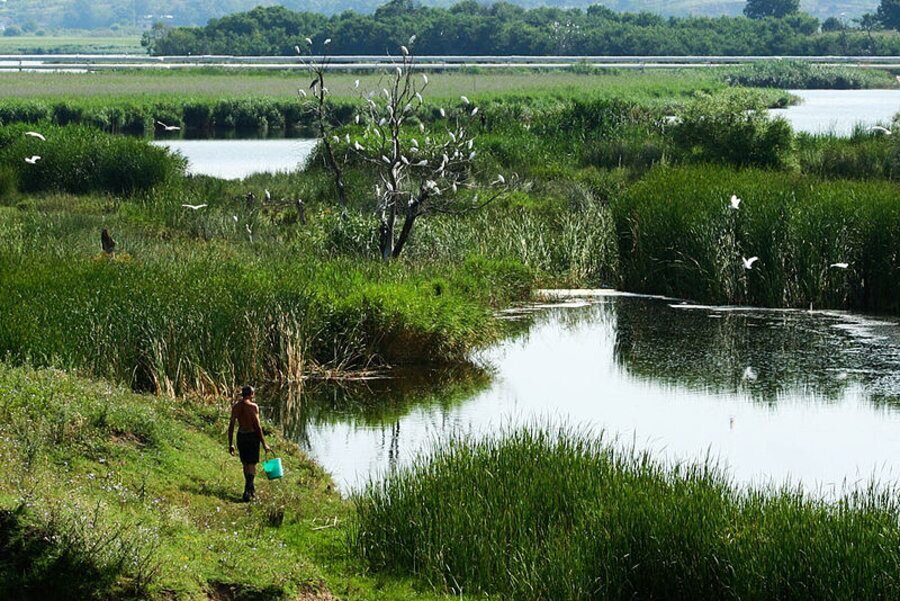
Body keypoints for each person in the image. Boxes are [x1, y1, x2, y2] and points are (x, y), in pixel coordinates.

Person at [228, 386, 271, 502]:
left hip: (241, 436)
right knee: (251, 464)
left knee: (245, 463)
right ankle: (248, 491)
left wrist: (230, 443)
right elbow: (257, 426)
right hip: (251, 436)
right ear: (251, 394)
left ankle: (250, 490)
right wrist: (264, 443)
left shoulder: (236, 407)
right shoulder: (253, 407)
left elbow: (231, 425)